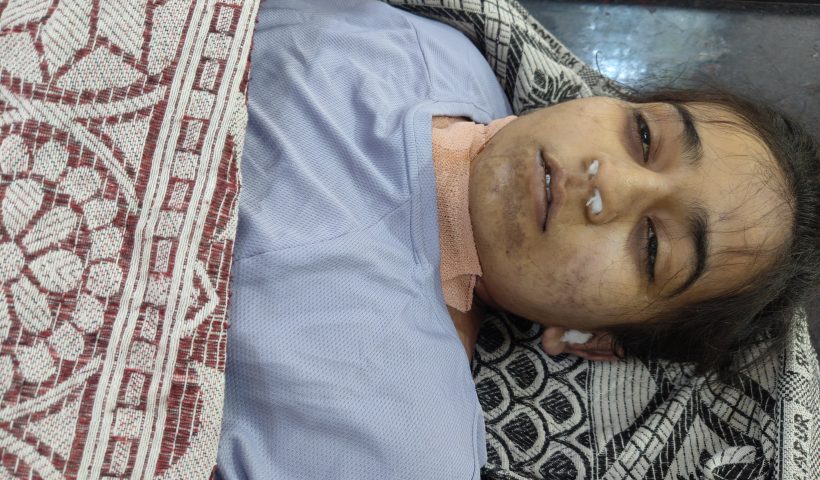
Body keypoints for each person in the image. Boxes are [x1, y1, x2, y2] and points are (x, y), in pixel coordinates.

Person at [216, 1, 820, 478]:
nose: (608, 182)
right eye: (643, 136)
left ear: (594, 340)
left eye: (654, 247)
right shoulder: (436, 46)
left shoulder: (398, 444)